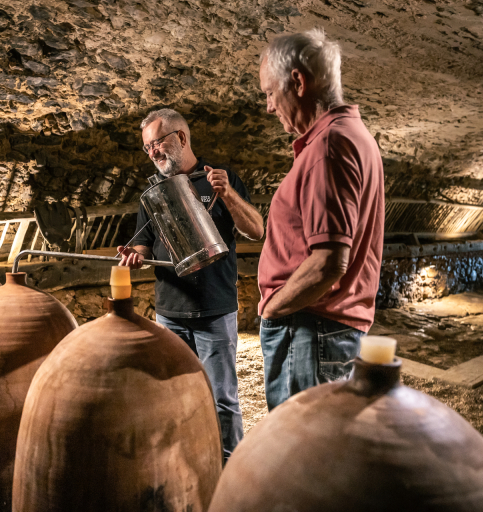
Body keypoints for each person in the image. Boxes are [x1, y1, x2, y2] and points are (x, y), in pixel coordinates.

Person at [117, 108, 264, 460]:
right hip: (170, 313)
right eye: (147, 148)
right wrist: (134, 254)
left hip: (215, 310)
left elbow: (256, 230)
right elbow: (144, 242)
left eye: (157, 143)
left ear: (181, 137)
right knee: (173, 396)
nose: (152, 152)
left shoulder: (218, 179)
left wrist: (227, 194)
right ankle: (186, 464)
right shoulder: (152, 193)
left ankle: (230, 473)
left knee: (222, 401)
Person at [257, 29, 385, 411]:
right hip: (323, 334)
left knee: (299, 461)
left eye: (268, 92)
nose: (268, 106)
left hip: (309, 333)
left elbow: (329, 260)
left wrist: (274, 308)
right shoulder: (353, 137)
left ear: (297, 81)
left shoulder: (328, 146)